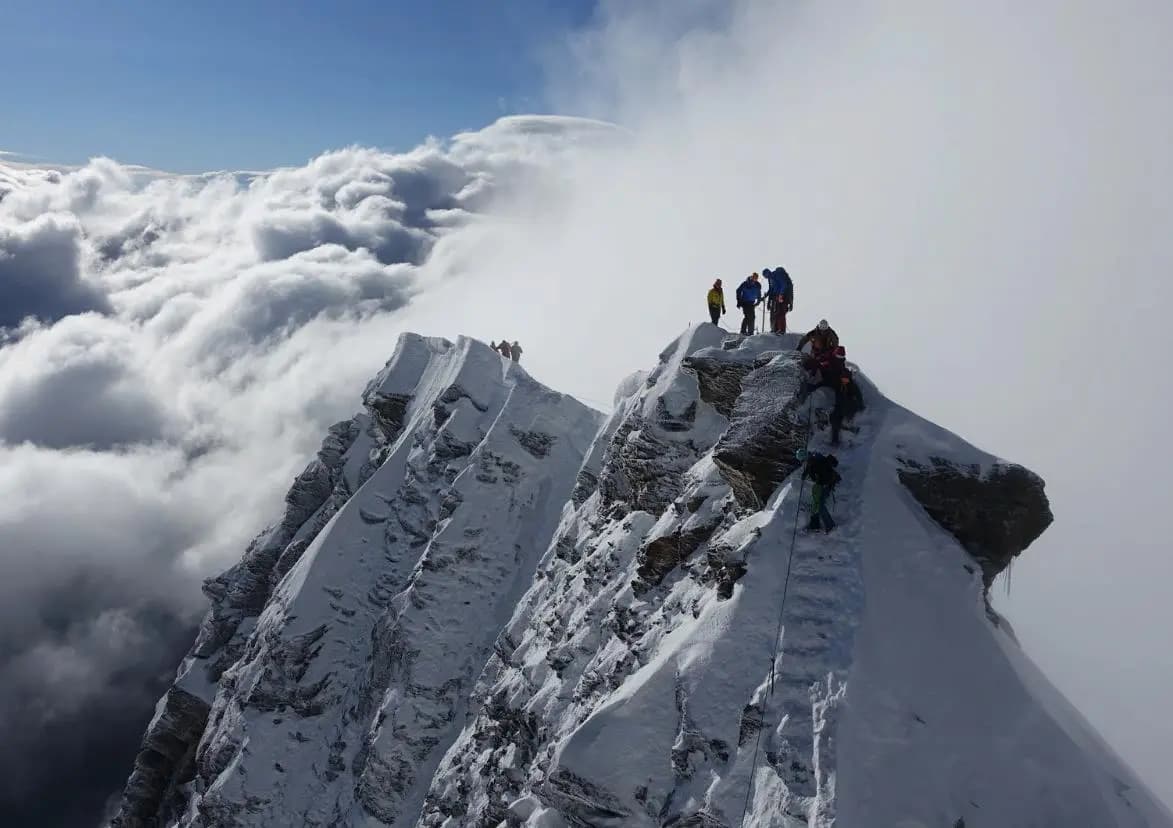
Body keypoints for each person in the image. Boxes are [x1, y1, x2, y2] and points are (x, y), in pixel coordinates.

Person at [827, 346, 864, 446]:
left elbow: (857, 394)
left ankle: (849, 430)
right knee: (835, 420)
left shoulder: (851, 385)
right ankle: (835, 440)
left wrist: (860, 405)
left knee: (844, 415)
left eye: (846, 378)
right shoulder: (838, 382)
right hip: (840, 404)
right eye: (843, 378)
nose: (845, 380)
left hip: (847, 404)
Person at [797, 447, 840, 532]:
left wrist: (822, 484)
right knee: (815, 502)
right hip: (822, 483)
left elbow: (824, 474)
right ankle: (815, 524)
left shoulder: (815, 462)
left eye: (802, 460)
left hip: (826, 484)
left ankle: (830, 525)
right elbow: (809, 468)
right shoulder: (812, 459)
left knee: (820, 505)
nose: (802, 462)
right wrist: (804, 475)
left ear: (804, 458)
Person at [764, 266, 794, 333]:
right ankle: (776, 329)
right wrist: (767, 298)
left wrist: (781, 294)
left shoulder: (777, 274)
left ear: (768, 272)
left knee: (781, 313)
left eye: (766, 275)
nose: (766, 277)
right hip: (777, 297)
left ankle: (781, 330)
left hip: (783, 296)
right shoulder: (771, 278)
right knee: (776, 313)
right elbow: (771, 289)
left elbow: (784, 284)